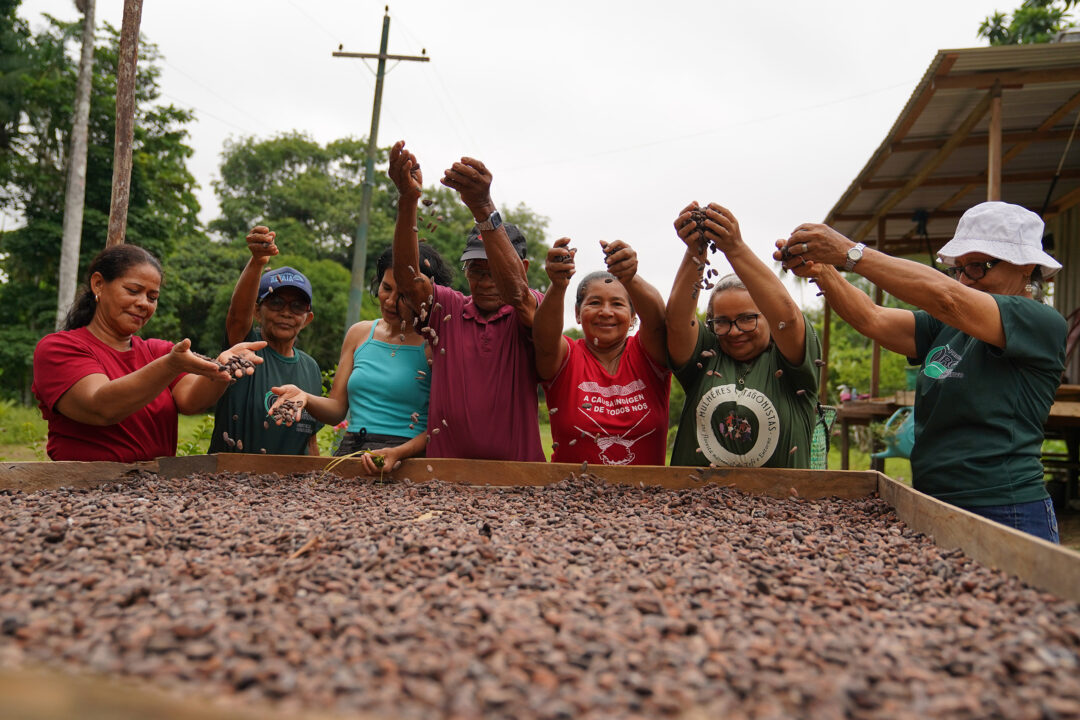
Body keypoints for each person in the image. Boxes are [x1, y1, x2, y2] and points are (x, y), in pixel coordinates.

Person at [777, 201, 1065, 543]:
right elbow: (873, 318)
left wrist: (849, 253)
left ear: (1026, 267)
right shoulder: (951, 326)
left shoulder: (1039, 321)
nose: (965, 280)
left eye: (978, 267)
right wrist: (823, 271)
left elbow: (948, 298)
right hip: (934, 502)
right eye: (959, 269)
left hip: (1004, 508)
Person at [32, 244, 264, 463]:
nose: (144, 303)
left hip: (154, 485)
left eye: (152, 297)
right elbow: (101, 408)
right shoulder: (59, 348)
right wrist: (170, 365)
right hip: (84, 485)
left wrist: (223, 368)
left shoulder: (157, 351)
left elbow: (191, 401)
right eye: (133, 291)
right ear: (98, 284)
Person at [388, 140, 545, 461]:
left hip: (520, 476)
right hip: (442, 473)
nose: (485, 282)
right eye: (476, 270)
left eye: (495, 272)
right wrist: (407, 200)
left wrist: (483, 207)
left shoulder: (531, 308)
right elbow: (408, 281)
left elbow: (517, 292)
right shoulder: (448, 309)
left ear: (523, 268)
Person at [270, 243, 453, 473]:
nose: (390, 301)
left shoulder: (434, 344)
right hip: (351, 453)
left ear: (424, 295)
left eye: (403, 295)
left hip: (406, 462)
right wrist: (304, 397)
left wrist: (399, 452)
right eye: (386, 288)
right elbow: (336, 410)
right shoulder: (359, 333)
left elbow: (445, 425)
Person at [667, 202, 821, 468]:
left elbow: (787, 319)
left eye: (748, 319)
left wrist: (734, 247)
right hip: (693, 494)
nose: (735, 331)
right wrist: (695, 250)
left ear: (768, 317)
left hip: (784, 495)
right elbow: (677, 323)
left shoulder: (791, 360)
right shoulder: (707, 355)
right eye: (722, 322)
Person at [534, 237, 670, 465]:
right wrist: (557, 285)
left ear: (633, 317)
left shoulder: (647, 353)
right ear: (577, 313)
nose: (606, 312)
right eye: (594, 303)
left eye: (617, 304)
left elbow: (658, 321)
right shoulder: (566, 356)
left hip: (647, 489)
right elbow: (543, 341)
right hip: (570, 488)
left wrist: (630, 276)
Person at [208, 227, 323, 455]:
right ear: (257, 312)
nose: (286, 313)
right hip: (230, 475)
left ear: (307, 319)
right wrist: (257, 261)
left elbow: (310, 440)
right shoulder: (244, 349)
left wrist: (316, 475)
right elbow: (237, 317)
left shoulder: (311, 368)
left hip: (292, 477)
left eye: (297, 306)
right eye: (276, 303)